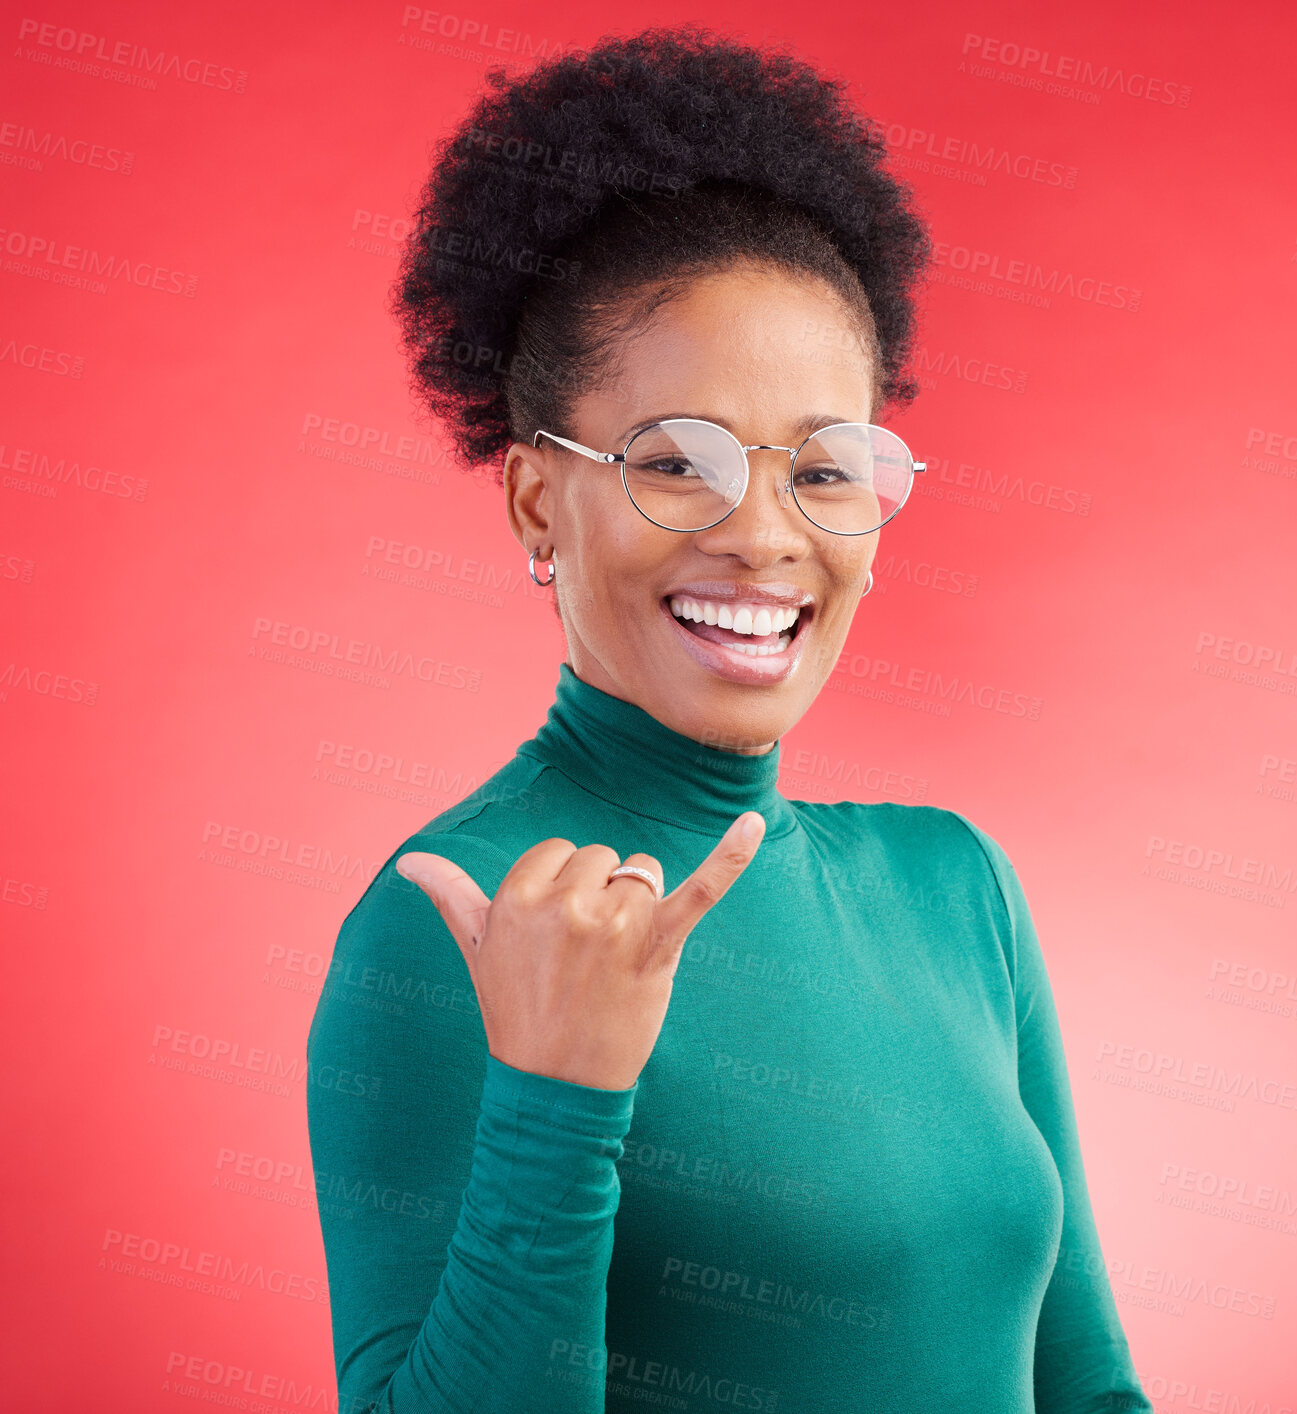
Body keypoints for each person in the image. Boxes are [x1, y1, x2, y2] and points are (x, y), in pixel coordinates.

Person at [306, 25, 1152, 1414]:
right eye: (673, 464)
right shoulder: (456, 918)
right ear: (535, 500)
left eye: (824, 468)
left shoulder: (956, 890)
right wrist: (557, 1096)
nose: (763, 535)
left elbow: (1087, 1386)